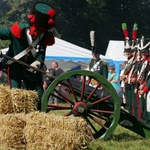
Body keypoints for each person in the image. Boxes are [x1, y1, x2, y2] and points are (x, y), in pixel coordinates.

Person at [0, 2, 56, 110]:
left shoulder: (44, 36)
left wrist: (39, 62)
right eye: (40, 30)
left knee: (39, 96)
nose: (41, 33)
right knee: (15, 95)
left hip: (32, 70)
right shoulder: (19, 30)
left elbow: (41, 52)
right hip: (15, 66)